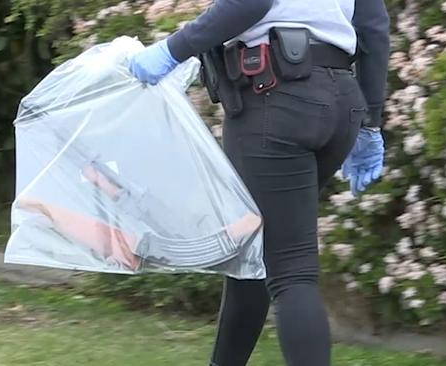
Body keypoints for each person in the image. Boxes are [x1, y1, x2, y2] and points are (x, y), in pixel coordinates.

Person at [128, 1, 390, 365]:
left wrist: (172, 49)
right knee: (256, 253)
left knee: (291, 272)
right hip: (340, 101)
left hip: (276, 97)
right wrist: (371, 121)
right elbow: (374, 27)